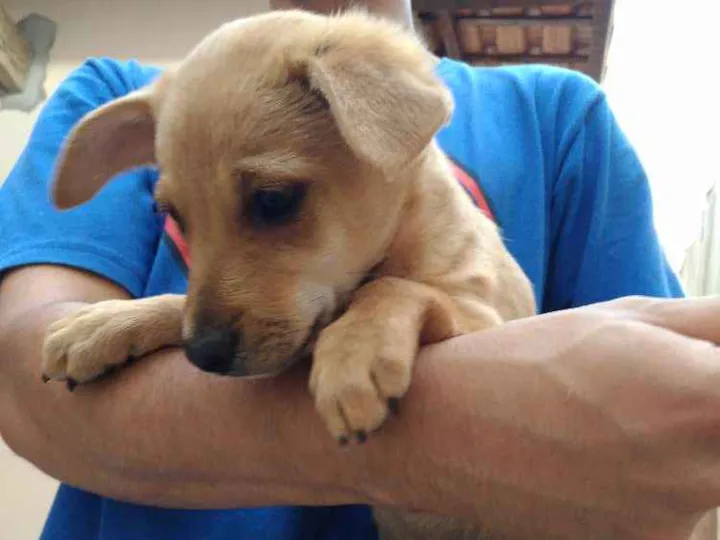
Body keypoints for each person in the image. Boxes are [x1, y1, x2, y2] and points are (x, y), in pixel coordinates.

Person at [2, 0, 720, 539]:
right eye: (181, 218)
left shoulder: (556, 119)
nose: (205, 328)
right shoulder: (141, 96)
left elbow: (651, 448)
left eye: (273, 203)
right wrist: (167, 318)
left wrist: (401, 304)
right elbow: (25, 380)